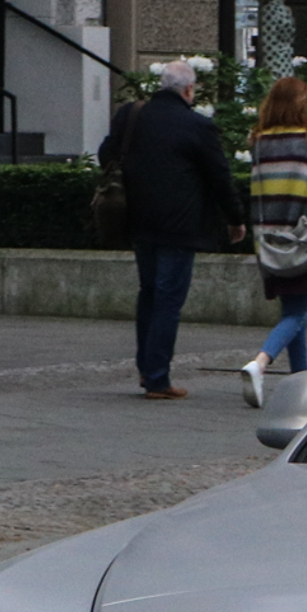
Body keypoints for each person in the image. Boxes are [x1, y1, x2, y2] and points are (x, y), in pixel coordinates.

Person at [99, 59, 245, 399]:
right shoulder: (197, 126)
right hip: (180, 225)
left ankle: (146, 368)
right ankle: (157, 378)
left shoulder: (131, 115)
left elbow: (106, 153)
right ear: (189, 90)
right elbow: (220, 177)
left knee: (148, 293)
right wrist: (235, 218)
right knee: (168, 299)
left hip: (137, 219)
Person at [241, 76, 307, 408]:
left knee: (294, 308)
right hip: (305, 237)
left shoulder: (258, 141)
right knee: (297, 313)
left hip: (270, 239)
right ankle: (261, 362)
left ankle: (302, 380)